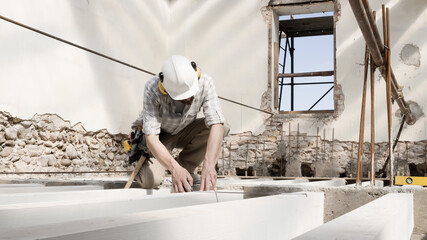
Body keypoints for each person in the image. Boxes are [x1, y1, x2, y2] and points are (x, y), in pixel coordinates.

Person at [132, 55, 228, 192]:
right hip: (160, 137)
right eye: (182, 97)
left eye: (190, 93)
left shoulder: (206, 82)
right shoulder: (152, 88)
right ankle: (176, 168)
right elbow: (151, 138)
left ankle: (186, 168)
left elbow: (216, 124)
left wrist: (209, 164)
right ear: (165, 88)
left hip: (184, 130)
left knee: (223, 126)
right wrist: (174, 169)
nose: (188, 98)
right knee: (150, 181)